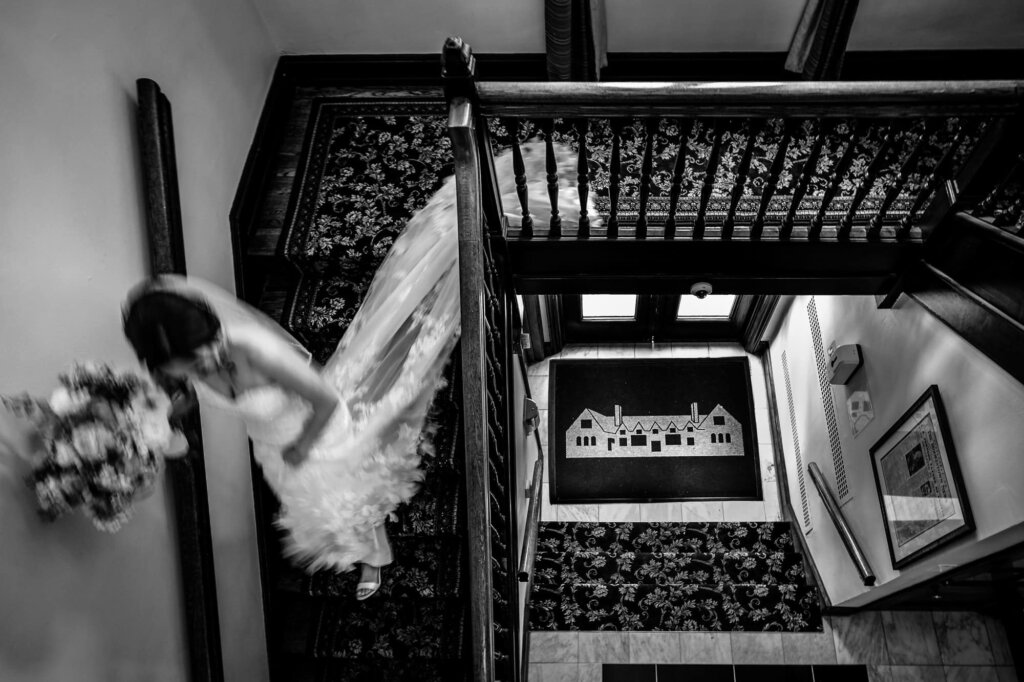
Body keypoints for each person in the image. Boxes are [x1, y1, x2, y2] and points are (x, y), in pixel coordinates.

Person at [121, 141, 590, 599]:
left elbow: (325, 402)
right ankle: (371, 545)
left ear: (205, 334)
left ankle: (372, 551)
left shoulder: (257, 351)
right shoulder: (184, 366)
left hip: (321, 434)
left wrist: (303, 448)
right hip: (276, 446)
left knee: (346, 498)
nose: (195, 367)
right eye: (185, 365)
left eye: (195, 356)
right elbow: (196, 395)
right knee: (336, 508)